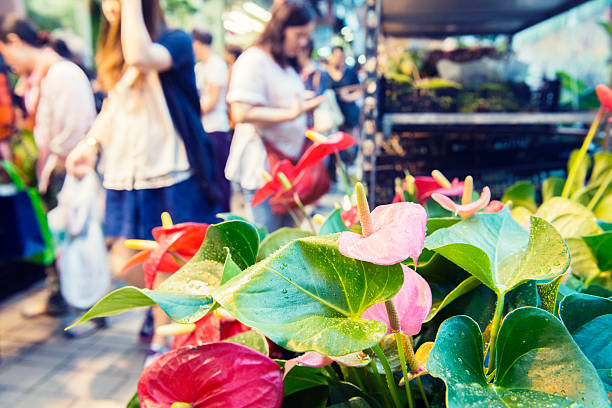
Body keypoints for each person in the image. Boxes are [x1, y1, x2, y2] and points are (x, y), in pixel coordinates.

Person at [66, 0, 218, 362]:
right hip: (126, 174)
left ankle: (165, 344)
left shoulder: (176, 43)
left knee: (170, 262)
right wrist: (90, 144)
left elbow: (141, 56)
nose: (110, 6)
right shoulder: (116, 57)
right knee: (126, 260)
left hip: (172, 173)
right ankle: (163, 317)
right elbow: (113, 105)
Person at [0, 15, 97, 319]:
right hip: (54, 172)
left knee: (79, 243)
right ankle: (65, 301)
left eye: (5, 54)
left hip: (67, 172)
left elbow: (75, 127)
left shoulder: (61, 74)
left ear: (15, 41)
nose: (9, 64)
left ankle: (89, 311)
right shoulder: (42, 77)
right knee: (61, 243)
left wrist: (55, 163)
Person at [226, 0, 324, 232]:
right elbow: (241, 112)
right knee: (265, 245)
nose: (303, 43)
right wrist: (291, 114)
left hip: (285, 172)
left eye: (306, 36)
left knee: (283, 241)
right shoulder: (254, 60)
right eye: (299, 34)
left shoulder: (285, 65)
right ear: (280, 29)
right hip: (262, 171)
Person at [192, 29, 230, 212]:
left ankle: (223, 216)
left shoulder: (216, 64)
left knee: (219, 176)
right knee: (208, 176)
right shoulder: (199, 67)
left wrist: (189, 112)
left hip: (216, 128)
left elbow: (212, 101)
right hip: (203, 128)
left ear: (198, 44)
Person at [327, 46, 362, 137]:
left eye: (341, 56)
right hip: (331, 118)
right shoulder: (324, 73)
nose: (339, 59)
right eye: (336, 56)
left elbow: (360, 90)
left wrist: (348, 97)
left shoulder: (350, 72)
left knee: (349, 146)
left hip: (349, 116)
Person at [298, 39, 332, 129]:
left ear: (306, 51)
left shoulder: (319, 73)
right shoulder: (293, 71)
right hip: (296, 123)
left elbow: (319, 97)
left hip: (312, 123)